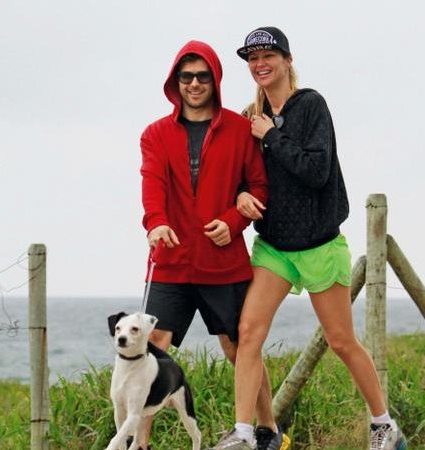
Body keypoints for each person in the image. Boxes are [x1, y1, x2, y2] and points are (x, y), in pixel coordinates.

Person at [208, 27, 407, 450]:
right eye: (252, 58)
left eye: (268, 56)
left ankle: (383, 424)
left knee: (341, 340)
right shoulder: (248, 118)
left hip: (319, 244)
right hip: (274, 249)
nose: (260, 64)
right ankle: (246, 433)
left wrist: (272, 136)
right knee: (248, 334)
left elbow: (317, 171)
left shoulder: (310, 105)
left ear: (287, 59)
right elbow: (243, 180)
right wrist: (241, 194)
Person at [138, 39, 279, 450]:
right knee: (152, 352)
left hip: (223, 263)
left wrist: (234, 222)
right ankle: (139, 444)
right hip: (171, 260)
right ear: (175, 82)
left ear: (214, 80)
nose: (194, 84)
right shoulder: (155, 134)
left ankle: (268, 431)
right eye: (186, 77)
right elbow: (153, 185)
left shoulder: (240, 129)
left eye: (202, 76)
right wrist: (156, 224)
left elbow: (259, 187)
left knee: (239, 348)